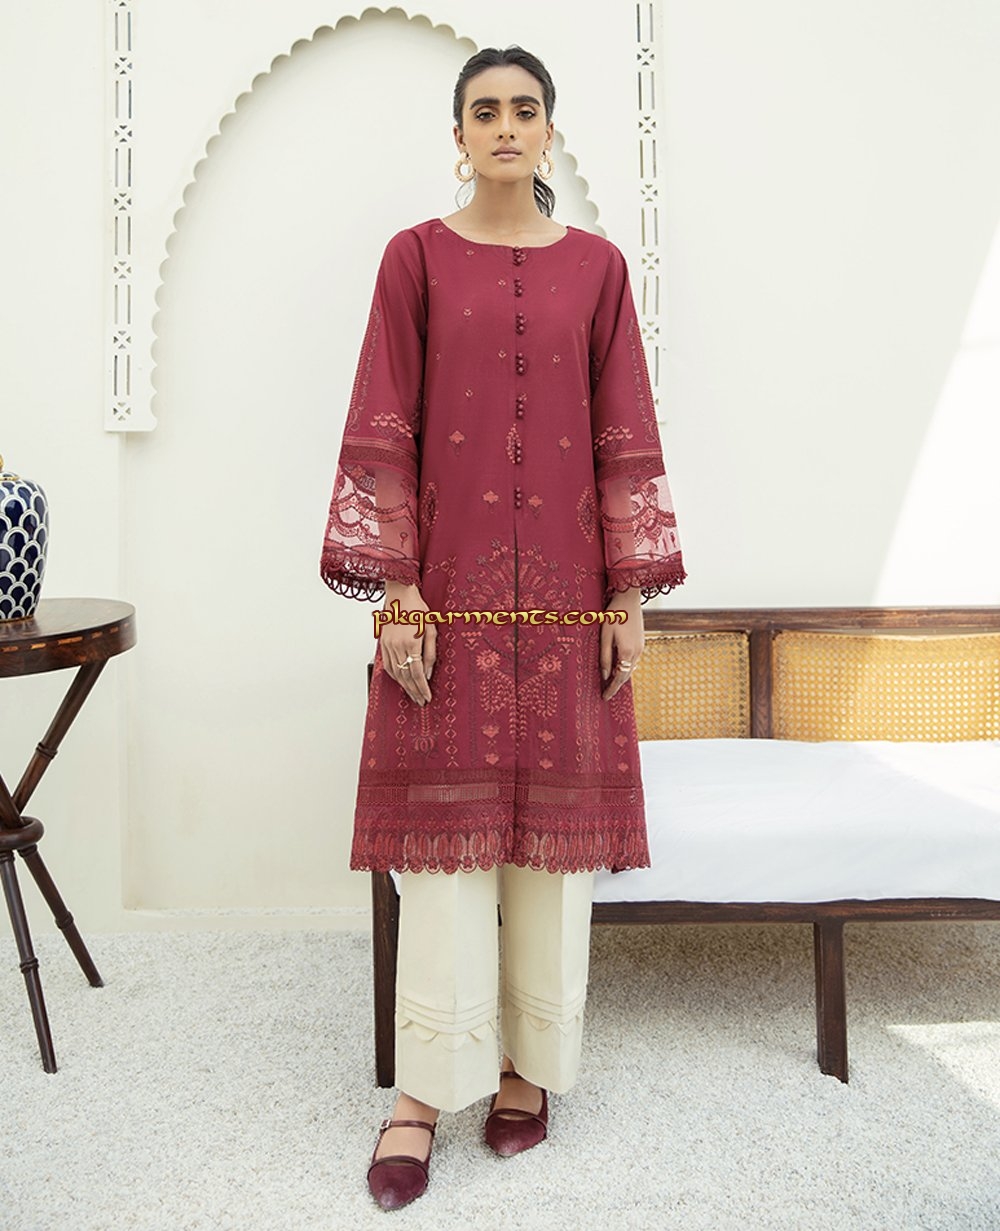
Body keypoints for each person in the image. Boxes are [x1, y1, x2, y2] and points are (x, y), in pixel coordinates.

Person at [319, 44, 686, 1210]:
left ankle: (527, 1064)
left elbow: (624, 426)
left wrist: (628, 595)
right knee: (442, 858)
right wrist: (397, 589)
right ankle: (423, 1091)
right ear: (460, 135)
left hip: (571, 607)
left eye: (526, 109)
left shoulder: (597, 269)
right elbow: (383, 417)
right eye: (485, 111)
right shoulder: (414, 259)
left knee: (550, 858)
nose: (506, 126)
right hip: (447, 605)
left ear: (549, 131)